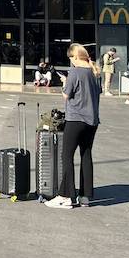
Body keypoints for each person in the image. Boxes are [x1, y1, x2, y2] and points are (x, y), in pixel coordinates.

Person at [45, 43, 101, 209]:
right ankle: (85, 196)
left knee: (66, 156)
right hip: (92, 120)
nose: (71, 62)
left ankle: (66, 196)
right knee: (86, 155)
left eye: (71, 59)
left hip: (76, 119)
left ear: (75, 56)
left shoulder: (75, 72)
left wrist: (65, 82)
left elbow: (66, 95)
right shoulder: (94, 72)